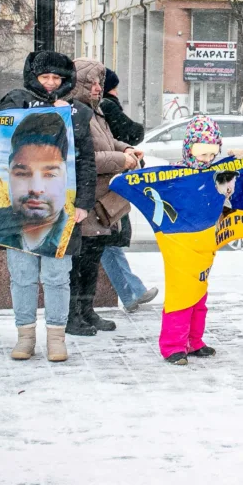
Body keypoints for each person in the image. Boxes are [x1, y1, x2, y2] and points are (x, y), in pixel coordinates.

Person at [0, 51, 97, 362]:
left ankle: (56, 336)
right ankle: (25, 336)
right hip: (19, 206)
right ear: (34, 77)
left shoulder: (77, 111)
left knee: (57, 276)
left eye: (57, 78)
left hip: (61, 206)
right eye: (45, 77)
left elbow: (85, 161)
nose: (51, 83)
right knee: (22, 275)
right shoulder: (14, 100)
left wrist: (83, 203)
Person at [65, 58, 142, 336]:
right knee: (80, 263)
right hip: (85, 198)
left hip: (101, 201)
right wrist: (121, 160)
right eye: (92, 83)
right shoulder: (75, 114)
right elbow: (84, 158)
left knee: (93, 259)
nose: (98, 88)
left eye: (99, 82)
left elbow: (108, 144)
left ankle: (87, 311)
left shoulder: (95, 113)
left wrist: (128, 148)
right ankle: (74, 315)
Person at [159, 115, 226, 365]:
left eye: (212, 154)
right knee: (180, 294)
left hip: (204, 243)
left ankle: (194, 341)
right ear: (189, 148)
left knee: (199, 294)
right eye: (201, 153)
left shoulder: (214, 175)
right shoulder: (176, 173)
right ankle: (173, 346)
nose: (206, 160)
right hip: (180, 243)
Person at [97, 68, 157, 313]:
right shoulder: (106, 106)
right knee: (108, 240)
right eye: (114, 86)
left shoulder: (95, 109)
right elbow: (133, 132)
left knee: (107, 243)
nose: (117, 91)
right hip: (106, 183)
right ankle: (134, 291)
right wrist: (124, 155)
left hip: (105, 180)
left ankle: (130, 294)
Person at [0, 113, 74, 256]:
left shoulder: (71, 231)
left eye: (50, 175)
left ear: (66, 176)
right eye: (22, 174)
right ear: (9, 173)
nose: (36, 189)